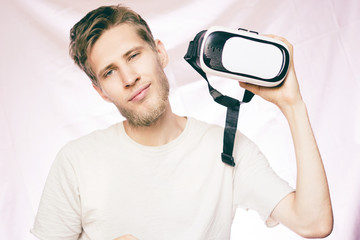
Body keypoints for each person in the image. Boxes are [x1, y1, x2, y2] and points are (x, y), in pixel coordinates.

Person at [31, 4, 333, 240]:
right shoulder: (76, 161)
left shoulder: (227, 149)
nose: (129, 78)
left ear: (159, 52)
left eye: (134, 55)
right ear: (100, 91)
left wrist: (293, 105)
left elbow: (314, 222)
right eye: (109, 72)